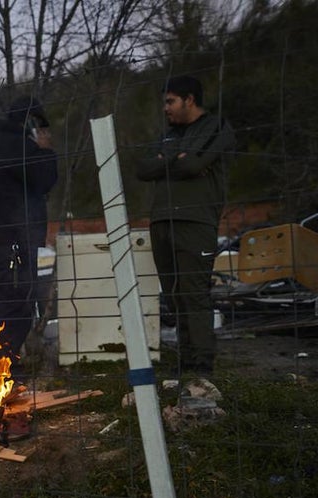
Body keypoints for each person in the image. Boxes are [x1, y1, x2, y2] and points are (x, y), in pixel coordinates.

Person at [136, 75, 235, 376]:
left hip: (195, 222)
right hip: (162, 222)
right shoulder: (168, 135)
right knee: (174, 296)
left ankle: (201, 369)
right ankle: (185, 364)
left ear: (189, 100)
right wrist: (174, 157)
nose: (165, 108)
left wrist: (166, 160)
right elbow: (143, 169)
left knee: (194, 295)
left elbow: (194, 165)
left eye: (170, 101)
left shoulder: (216, 128)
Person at [0, 95, 58, 381]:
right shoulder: (22, 148)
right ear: (31, 123)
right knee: (18, 299)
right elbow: (45, 180)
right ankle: (6, 367)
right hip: (17, 239)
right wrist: (45, 151)